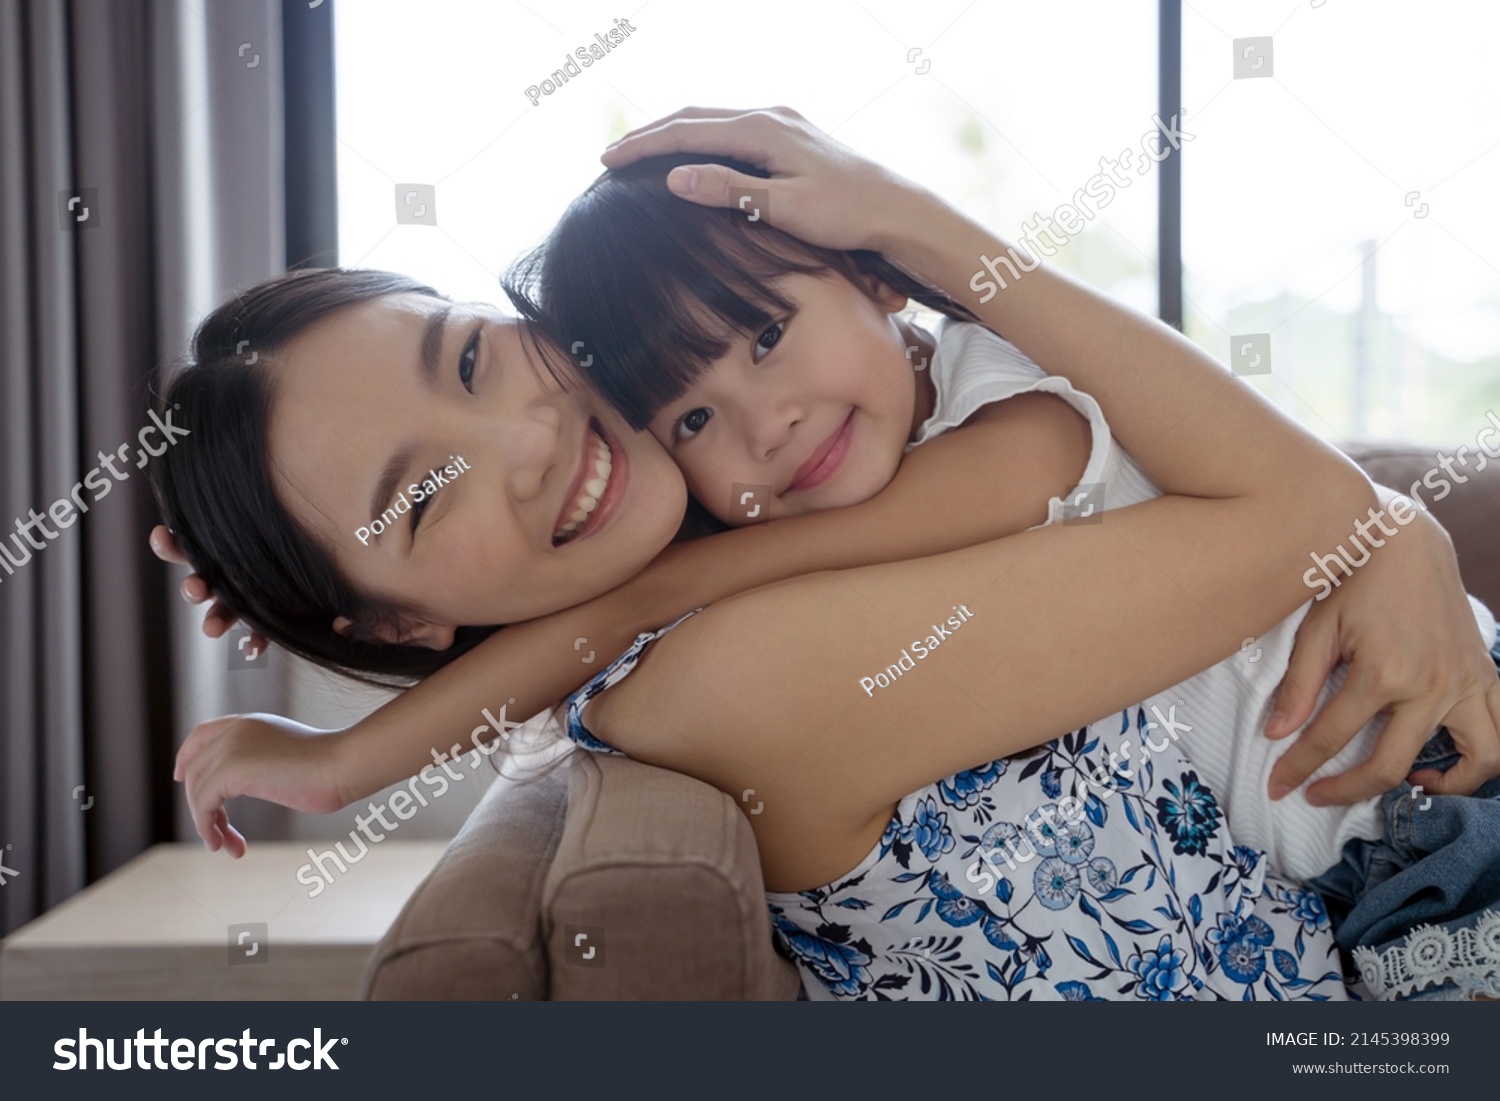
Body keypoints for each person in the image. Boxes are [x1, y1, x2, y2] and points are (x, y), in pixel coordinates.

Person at [149, 108, 1500, 999]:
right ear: (394, 620)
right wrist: (341, 753)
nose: (530, 437)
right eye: (420, 499)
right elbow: (1303, 513)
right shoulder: (716, 667)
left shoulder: (843, 486)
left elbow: (1300, 514)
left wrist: (1401, 536)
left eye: (468, 360)